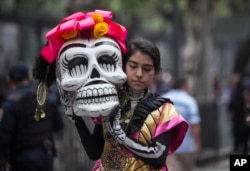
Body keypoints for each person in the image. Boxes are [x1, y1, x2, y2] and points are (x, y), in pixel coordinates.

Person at [32, 9, 188, 171]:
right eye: (133, 66)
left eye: (147, 69)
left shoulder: (164, 110)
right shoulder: (111, 103)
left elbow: (158, 158)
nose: (139, 74)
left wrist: (121, 136)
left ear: (155, 72)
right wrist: (76, 118)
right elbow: (95, 152)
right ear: (123, 66)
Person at [0, 62, 64, 171]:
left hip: (21, 160)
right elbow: (59, 125)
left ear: (9, 80)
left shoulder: (9, 105)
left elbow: (4, 136)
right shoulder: (47, 99)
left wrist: (4, 160)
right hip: (45, 156)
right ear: (29, 78)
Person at [162, 78, 201, 171]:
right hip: (187, 146)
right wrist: (198, 143)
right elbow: (195, 124)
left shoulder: (163, 99)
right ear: (183, 86)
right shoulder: (189, 101)